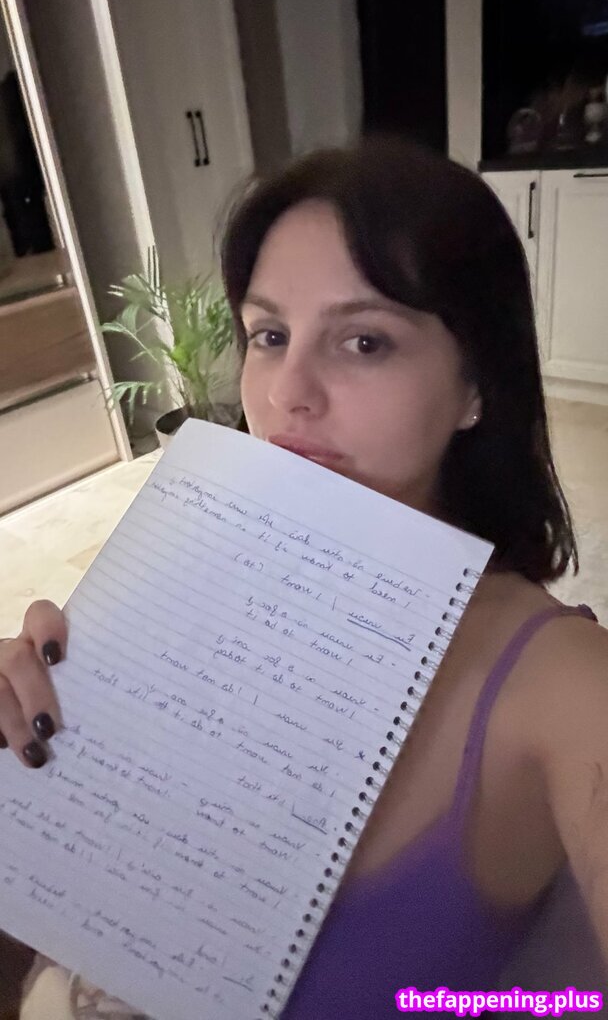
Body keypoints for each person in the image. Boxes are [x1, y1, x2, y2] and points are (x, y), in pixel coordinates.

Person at [3, 136, 608, 1019]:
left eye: (364, 341)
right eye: (270, 335)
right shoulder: (168, 582)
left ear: (476, 384)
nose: (290, 392)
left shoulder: (562, 681)